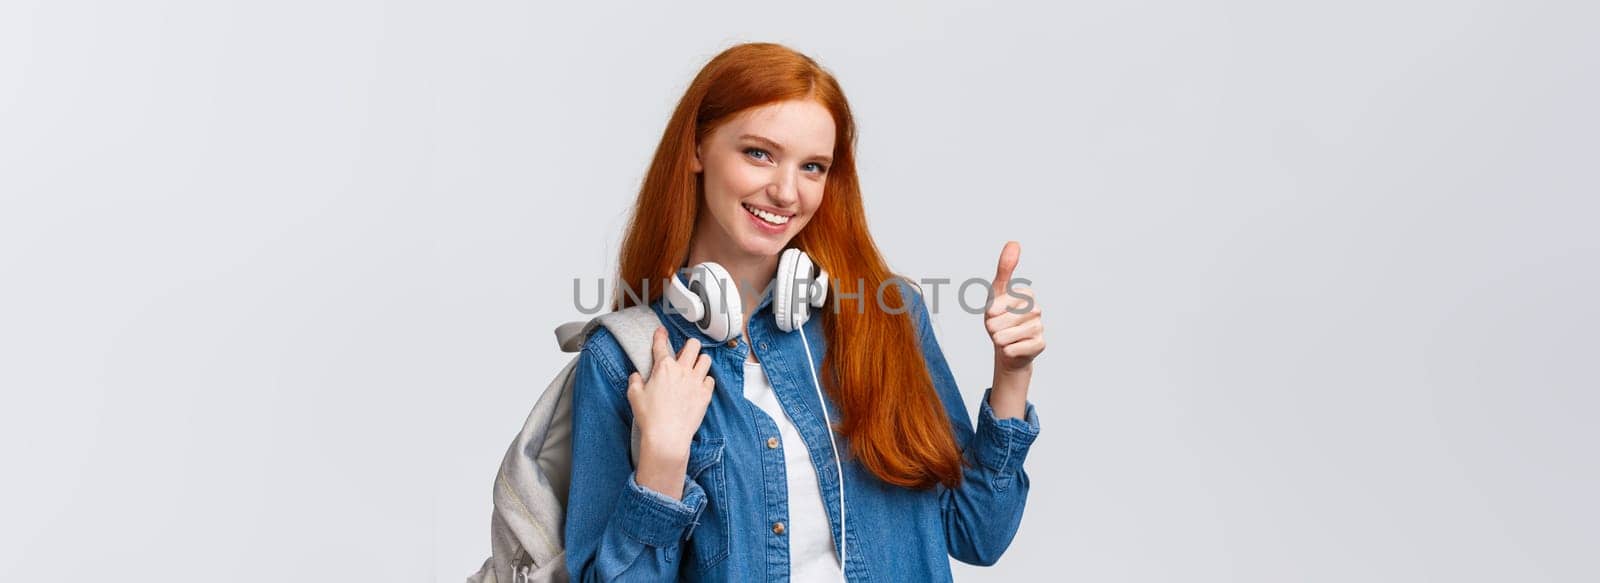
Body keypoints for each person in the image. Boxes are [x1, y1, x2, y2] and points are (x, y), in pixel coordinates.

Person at [563, 42, 1046, 582]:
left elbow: (977, 534)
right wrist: (662, 463)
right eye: (759, 154)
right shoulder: (622, 362)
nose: (786, 191)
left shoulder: (887, 318)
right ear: (697, 148)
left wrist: (1011, 378)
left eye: (812, 166)